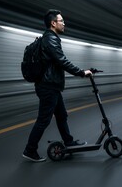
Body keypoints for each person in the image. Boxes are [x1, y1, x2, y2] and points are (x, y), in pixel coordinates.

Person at [22, 9, 92, 162]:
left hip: (51, 86)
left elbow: (58, 62)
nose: (64, 23)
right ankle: (30, 150)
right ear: (53, 23)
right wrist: (81, 72)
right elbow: (62, 61)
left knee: (61, 115)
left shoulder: (50, 38)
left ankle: (68, 142)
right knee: (43, 120)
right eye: (61, 21)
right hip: (48, 87)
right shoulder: (50, 39)